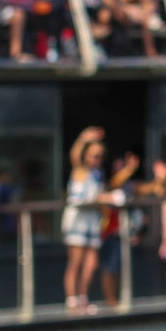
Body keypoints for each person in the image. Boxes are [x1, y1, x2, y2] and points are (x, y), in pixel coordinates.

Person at [61, 127, 110, 311]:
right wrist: (83, 137)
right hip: (77, 221)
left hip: (92, 221)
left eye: (100, 156)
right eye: (93, 156)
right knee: (76, 261)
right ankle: (72, 299)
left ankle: (83, 297)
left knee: (92, 262)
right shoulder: (80, 170)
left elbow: (100, 196)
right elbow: (75, 155)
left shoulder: (98, 174)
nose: (97, 160)